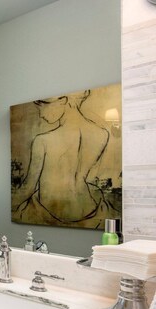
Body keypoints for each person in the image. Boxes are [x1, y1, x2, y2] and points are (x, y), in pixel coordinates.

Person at [12, 90, 110, 224]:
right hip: (90, 209)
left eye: (42, 107)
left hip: (48, 212)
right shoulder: (102, 134)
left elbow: (28, 188)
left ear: (63, 101)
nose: (41, 115)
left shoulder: (42, 141)